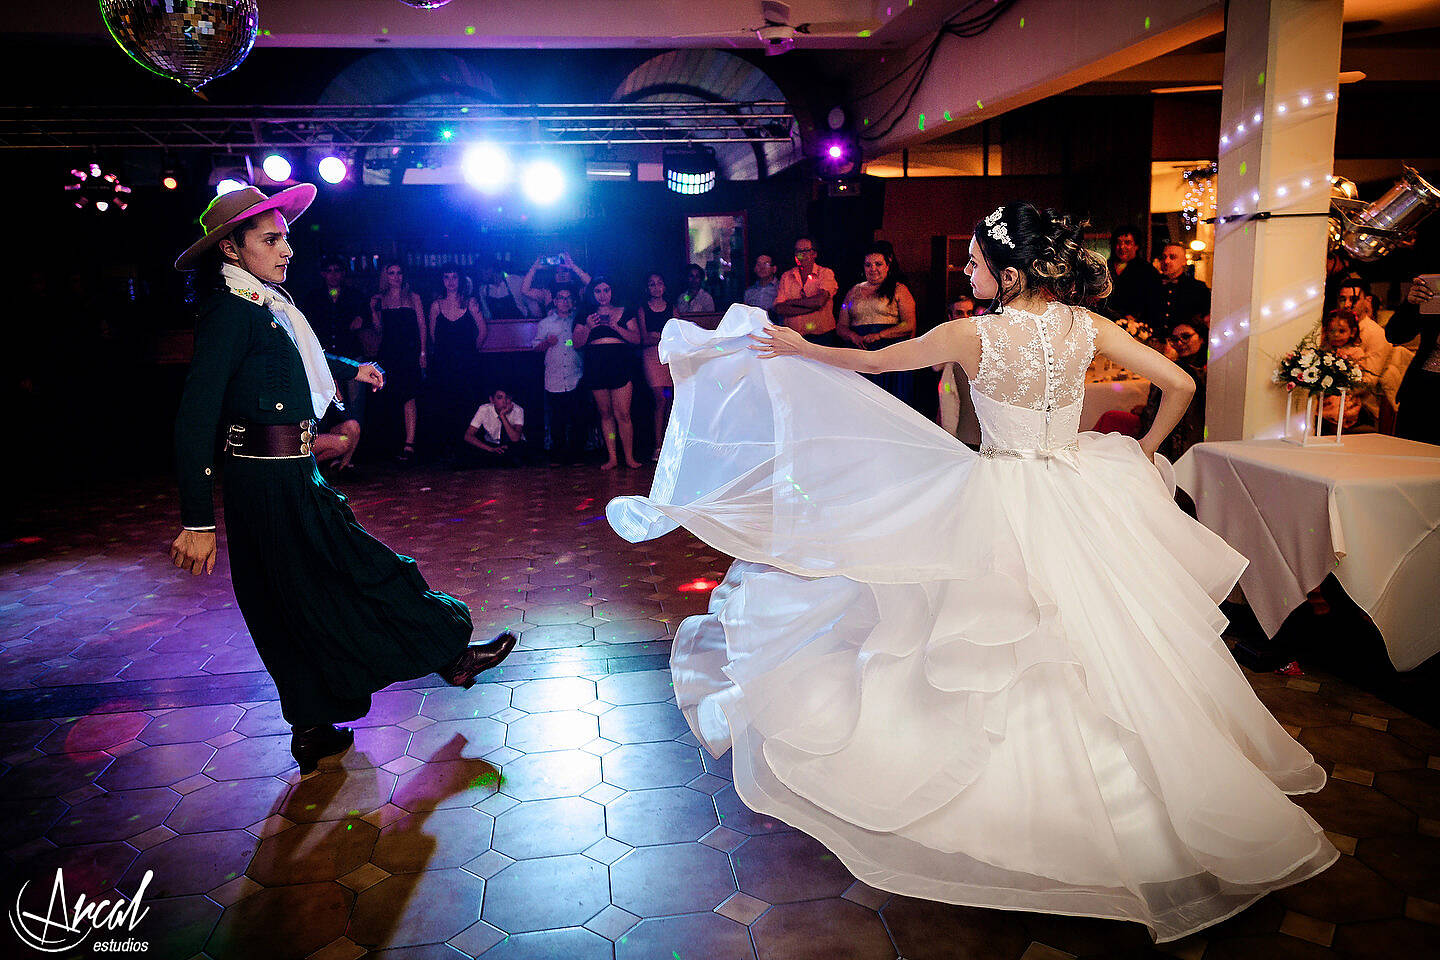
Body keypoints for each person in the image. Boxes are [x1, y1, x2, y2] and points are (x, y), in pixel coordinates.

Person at [606, 201, 1336, 944]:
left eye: (975, 263)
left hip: (1004, 495)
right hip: (1082, 492)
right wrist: (1144, 450)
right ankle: (1142, 804)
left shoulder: (971, 333)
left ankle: (1021, 813)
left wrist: (800, 348)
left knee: (993, 638)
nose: (965, 270)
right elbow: (1178, 384)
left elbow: (870, 361)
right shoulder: (1088, 325)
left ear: (1009, 273)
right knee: (1110, 637)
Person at [169, 185, 515, 774]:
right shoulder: (230, 314)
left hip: (291, 476)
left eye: (286, 237)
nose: (286, 250)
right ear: (230, 249)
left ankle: (314, 728)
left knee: (301, 600)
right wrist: (198, 520)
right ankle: (448, 654)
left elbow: (302, 356)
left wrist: (357, 367)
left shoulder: (264, 306)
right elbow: (196, 416)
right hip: (267, 485)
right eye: (271, 239)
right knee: (356, 576)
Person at [303, 257, 370, 474]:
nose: (333, 274)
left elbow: (367, 323)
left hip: (350, 357)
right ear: (323, 273)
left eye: (337, 270)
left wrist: (361, 320)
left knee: (353, 407)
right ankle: (319, 459)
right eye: (329, 270)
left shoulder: (355, 297)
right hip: (323, 360)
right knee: (327, 401)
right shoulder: (313, 297)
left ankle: (347, 460)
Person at [575, 276, 643, 469]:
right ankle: (612, 457)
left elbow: (637, 339)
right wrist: (589, 327)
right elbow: (576, 343)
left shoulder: (624, 311)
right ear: (592, 293)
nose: (602, 295)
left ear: (612, 291)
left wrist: (616, 326)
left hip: (619, 363)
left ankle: (629, 457)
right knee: (605, 414)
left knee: (623, 414)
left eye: (606, 290)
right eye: (598, 291)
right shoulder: (585, 315)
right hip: (596, 365)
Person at [837, 244, 918, 403]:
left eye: (878, 264)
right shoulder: (854, 291)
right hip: (861, 354)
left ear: (888, 266)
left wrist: (880, 335)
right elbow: (841, 326)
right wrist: (853, 336)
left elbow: (908, 325)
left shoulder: (899, 290)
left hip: (889, 355)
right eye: (868, 265)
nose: (873, 269)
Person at [428, 264, 487, 461]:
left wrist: (470, 351)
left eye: (454, 277)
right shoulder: (436, 305)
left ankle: (470, 450)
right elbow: (433, 336)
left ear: (460, 280)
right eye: (447, 277)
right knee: (447, 406)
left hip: (468, 364)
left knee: (468, 405)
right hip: (445, 365)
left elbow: (483, 332)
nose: (451, 281)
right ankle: (451, 450)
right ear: (442, 280)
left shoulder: (471, 302)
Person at [371, 261, 427, 463]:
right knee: (391, 396)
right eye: (392, 273)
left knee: (409, 396)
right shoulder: (382, 299)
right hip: (389, 353)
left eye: (399, 272)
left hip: (410, 352)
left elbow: (422, 325)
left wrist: (423, 353)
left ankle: (410, 443)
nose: (396, 277)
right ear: (385, 276)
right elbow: (379, 330)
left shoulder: (414, 297)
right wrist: (373, 310)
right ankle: (395, 443)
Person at [531, 286, 587, 465]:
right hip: (554, 377)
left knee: (577, 417)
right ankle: (558, 455)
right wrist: (547, 342)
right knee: (557, 419)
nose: (565, 301)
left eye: (568, 298)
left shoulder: (578, 320)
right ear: (555, 301)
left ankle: (577, 454)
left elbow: (579, 342)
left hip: (575, 374)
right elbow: (535, 347)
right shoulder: (545, 323)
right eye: (561, 298)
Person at [1386, 275, 1439, 444]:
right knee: (1407, 456)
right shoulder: (1435, 290)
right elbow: (1395, 335)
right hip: (1421, 389)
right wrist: (1411, 304)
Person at [773, 237, 840, 344]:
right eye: (798, 251)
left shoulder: (825, 273)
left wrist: (792, 302)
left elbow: (819, 301)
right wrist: (812, 308)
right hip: (793, 338)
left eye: (806, 251)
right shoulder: (787, 276)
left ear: (814, 254)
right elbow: (779, 308)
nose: (802, 255)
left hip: (821, 338)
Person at [1142, 240, 1211, 340]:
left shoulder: (1198, 288)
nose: (1166, 261)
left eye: (1172, 257)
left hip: (1183, 347)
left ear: (1184, 261)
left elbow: (1205, 321)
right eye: (1164, 257)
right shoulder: (1150, 284)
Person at [1318, 310, 1372, 432]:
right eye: (1332, 331)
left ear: (1352, 332)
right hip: (1326, 392)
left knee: (1338, 404)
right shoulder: (1325, 350)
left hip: (1346, 393)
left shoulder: (1356, 352)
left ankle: (1336, 428)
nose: (1336, 335)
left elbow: (1361, 377)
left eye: (1341, 331)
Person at [640, 272, 674, 460]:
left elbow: (678, 334)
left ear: (665, 286)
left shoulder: (672, 308)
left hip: (670, 357)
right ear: (647, 288)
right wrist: (660, 338)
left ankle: (670, 443)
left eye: (659, 283)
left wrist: (658, 336)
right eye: (652, 284)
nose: (656, 287)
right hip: (652, 357)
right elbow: (644, 338)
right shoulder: (643, 309)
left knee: (669, 399)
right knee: (660, 398)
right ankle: (658, 445)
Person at [1104, 225, 1158, 326]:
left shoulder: (1147, 270)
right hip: (1106, 322)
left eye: (1127, 243)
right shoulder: (1105, 267)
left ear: (1136, 246)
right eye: (1118, 243)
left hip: (1133, 325)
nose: (1121, 247)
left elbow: (1152, 302)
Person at [462, 387, 526, 466]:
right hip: (491, 444)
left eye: (507, 398)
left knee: (517, 454)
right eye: (499, 398)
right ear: (492, 400)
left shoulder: (517, 410)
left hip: (512, 445)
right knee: (468, 452)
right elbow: (468, 436)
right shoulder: (484, 409)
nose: (504, 401)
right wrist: (490, 449)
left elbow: (515, 438)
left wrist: (502, 416)